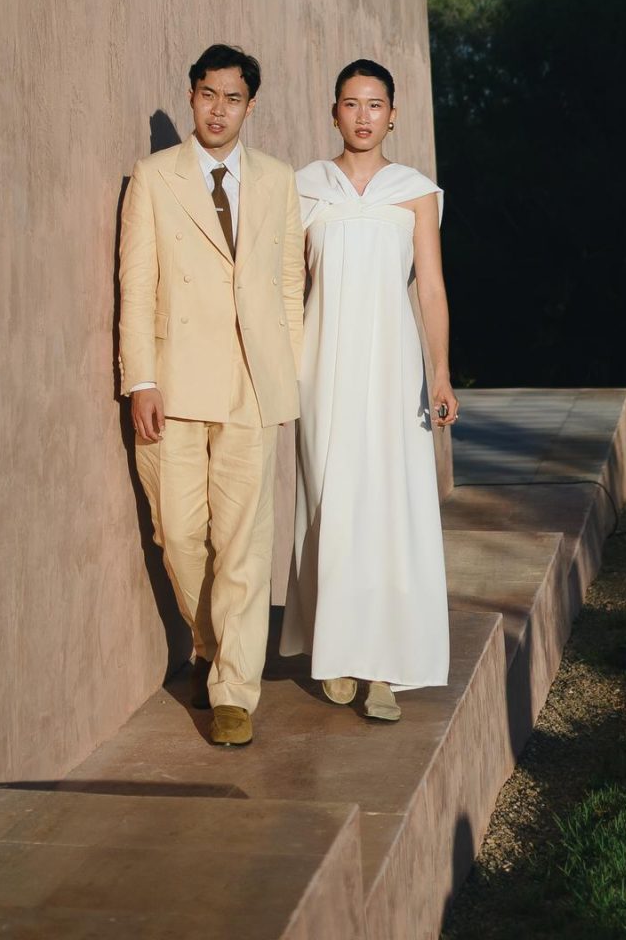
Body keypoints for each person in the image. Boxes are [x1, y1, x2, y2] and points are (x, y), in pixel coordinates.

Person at [119, 43, 304, 749]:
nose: (217, 109)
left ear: (248, 106)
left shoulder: (276, 179)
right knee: (178, 536)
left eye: (231, 98)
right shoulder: (154, 176)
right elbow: (135, 287)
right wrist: (140, 378)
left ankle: (232, 690)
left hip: (251, 387)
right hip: (173, 384)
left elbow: (289, 280)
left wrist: (283, 365)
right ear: (192, 97)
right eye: (206, 95)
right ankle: (208, 641)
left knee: (245, 546)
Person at [280, 57, 455, 722]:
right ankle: (340, 651)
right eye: (350, 103)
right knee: (330, 500)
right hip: (318, 369)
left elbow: (430, 288)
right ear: (333, 111)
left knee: (387, 505)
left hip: (392, 371)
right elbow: (286, 287)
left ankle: (384, 668)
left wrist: (438, 372)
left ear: (392, 113)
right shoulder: (303, 189)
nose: (362, 115)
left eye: (374, 104)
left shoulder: (414, 191)